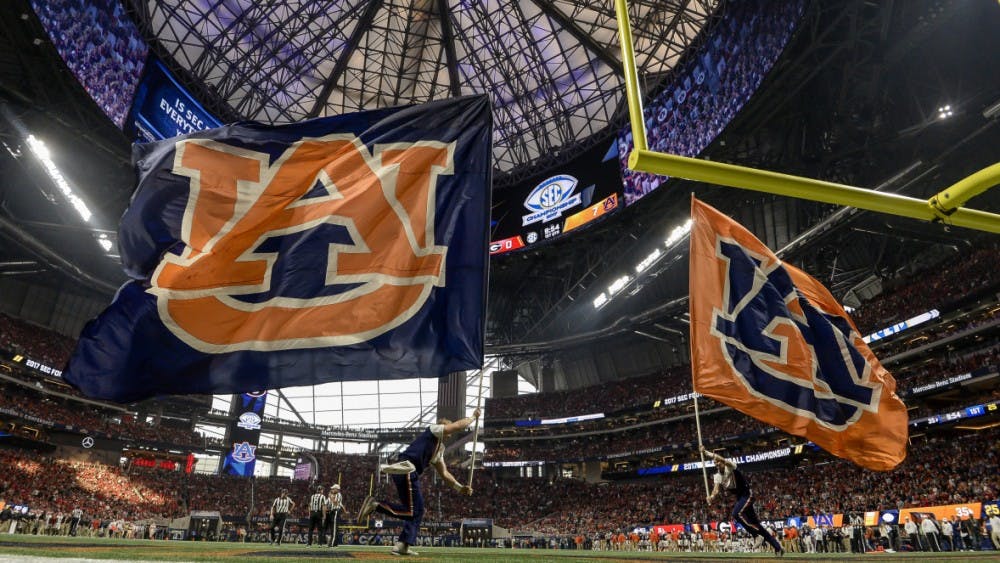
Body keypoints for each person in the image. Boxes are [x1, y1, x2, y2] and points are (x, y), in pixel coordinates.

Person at [357, 408, 480, 556]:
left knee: (416, 510)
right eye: (448, 428)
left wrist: (460, 488)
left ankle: (403, 544)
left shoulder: (439, 449)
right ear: (443, 426)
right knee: (414, 511)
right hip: (407, 468)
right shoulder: (434, 430)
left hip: (407, 471)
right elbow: (458, 426)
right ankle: (376, 505)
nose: (450, 432)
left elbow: (445, 473)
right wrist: (473, 417)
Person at [702, 446, 784, 557]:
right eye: (715, 463)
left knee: (736, 513)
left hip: (747, 494)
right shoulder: (717, 476)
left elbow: (723, 460)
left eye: (718, 462)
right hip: (740, 498)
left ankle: (756, 536)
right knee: (756, 524)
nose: (717, 464)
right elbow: (716, 490)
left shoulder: (730, 466)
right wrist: (711, 497)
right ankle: (778, 547)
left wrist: (706, 453)